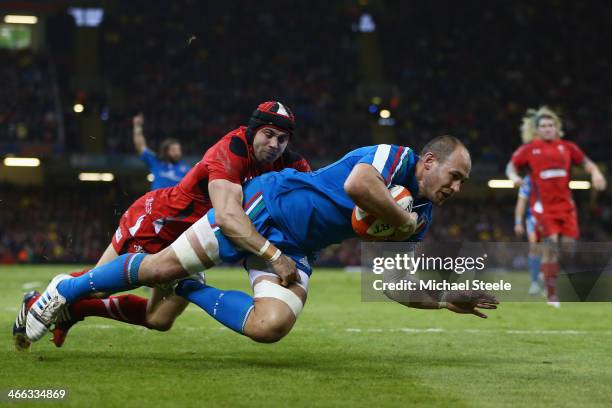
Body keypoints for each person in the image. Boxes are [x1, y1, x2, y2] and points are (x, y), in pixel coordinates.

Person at [26, 136, 498, 345]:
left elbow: (391, 283)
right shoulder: (394, 156)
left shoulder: (424, 213)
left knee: (270, 326)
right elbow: (358, 185)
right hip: (263, 208)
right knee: (155, 268)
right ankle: (62, 291)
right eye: (454, 176)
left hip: (297, 248)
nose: (456, 188)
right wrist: (401, 219)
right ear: (430, 161)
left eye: (462, 183)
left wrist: (440, 299)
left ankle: (188, 287)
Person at [13, 101, 310, 350]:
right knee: (100, 287)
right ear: (253, 130)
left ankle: (74, 310)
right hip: (157, 222)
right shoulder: (229, 149)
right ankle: (38, 301)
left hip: (191, 237)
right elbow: (226, 216)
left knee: (159, 319)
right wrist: (273, 255)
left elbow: (316, 189)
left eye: (282, 139)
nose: (274, 144)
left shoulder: (285, 162)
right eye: (268, 134)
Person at [506, 106, 607, 307]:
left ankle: (547, 273)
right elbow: (511, 166)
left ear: (557, 127)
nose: (547, 129)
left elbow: (587, 163)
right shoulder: (529, 149)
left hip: (567, 208)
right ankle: (552, 296)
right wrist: (513, 177)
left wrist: (596, 173)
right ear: (537, 130)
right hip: (544, 209)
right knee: (550, 246)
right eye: (543, 126)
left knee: (567, 248)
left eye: (551, 125)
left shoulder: (568, 147)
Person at [132, 113, 191, 190]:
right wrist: (137, 126)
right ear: (166, 151)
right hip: (156, 201)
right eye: (174, 150)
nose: (177, 153)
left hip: (175, 201)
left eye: (179, 150)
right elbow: (141, 147)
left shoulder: (186, 169)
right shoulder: (156, 162)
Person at [514, 176, 542, 295]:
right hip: (534, 218)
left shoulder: (553, 176)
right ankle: (535, 283)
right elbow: (522, 201)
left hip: (552, 217)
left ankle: (546, 281)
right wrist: (518, 222)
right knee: (535, 247)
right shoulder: (529, 179)